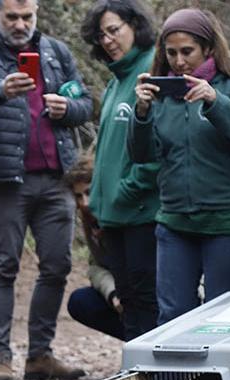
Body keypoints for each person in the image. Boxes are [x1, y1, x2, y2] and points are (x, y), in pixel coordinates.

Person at [0, 0, 93, 380]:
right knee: (4, 264)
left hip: (57, 178)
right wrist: (2, 88)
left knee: (57, 266)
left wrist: (65, 108)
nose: (21, 25)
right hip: (8, 179)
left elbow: (85, 104)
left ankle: (40, 355)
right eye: (12, 17)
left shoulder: (55, 52)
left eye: (28, 17)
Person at [130, 9, 230, 325]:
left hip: (227, 221)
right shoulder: (161, 93)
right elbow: (141, 155)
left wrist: (215, 101)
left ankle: (215, 377)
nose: (178, 61)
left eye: (187, 51)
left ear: (208, 49)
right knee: (173, 315)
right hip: (175, 221)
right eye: (171, 52)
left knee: (219, 318)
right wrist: (142, 112)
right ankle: (177, 377)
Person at [80, 0, 161, 341]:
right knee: (127, 300)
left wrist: (128, 187)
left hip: (141, 212)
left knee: (147, 300)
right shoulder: (116, 80)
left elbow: (160, 147)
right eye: (101, 35)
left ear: (135, 26)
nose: (108, 40)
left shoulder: (152, 68)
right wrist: (101, 198)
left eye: (114, 30)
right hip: (114, 215)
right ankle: (135, 378)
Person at [64, 155, 124, 341]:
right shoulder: (89, 220)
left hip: (145, 290)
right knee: (80, 302)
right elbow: (95, 267)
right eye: (78, 196)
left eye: (89, 192)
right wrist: (113, 293)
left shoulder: (122, 211)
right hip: (120, 292)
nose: (85, 203)